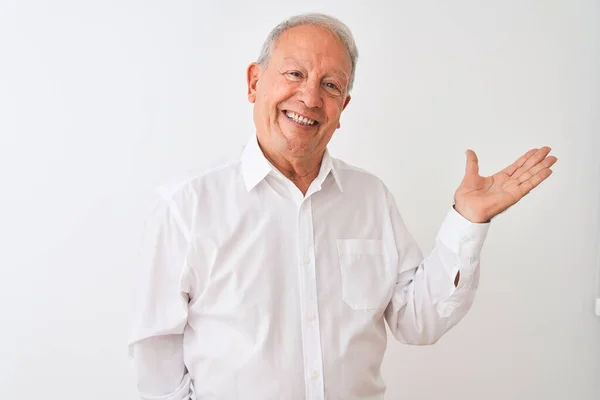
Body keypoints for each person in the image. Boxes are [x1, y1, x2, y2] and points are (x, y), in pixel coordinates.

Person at [128, 13, 557, 400]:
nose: (310, 98)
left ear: (343, 107)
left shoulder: (370, 198)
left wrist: (468, 220)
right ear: (255, 82)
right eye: (294, 73)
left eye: (330, 85)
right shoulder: (187, 207)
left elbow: (417, 320)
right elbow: (156, 361)